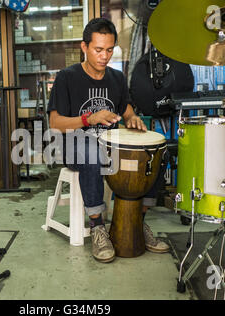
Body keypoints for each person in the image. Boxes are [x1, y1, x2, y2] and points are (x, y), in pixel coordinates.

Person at [47, 18, 169, 263]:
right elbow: (55, 123)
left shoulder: (116, 78)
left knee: (155, 151)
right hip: (73, 144)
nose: (105, 56)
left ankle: (136, 223)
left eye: (110, 49)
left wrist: (132, 118)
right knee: (92, 151)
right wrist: (89, 119)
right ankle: (98, 227)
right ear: (84, 47)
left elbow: (126, 109)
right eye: (98, 49)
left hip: (110, 145)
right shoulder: (66, 77)